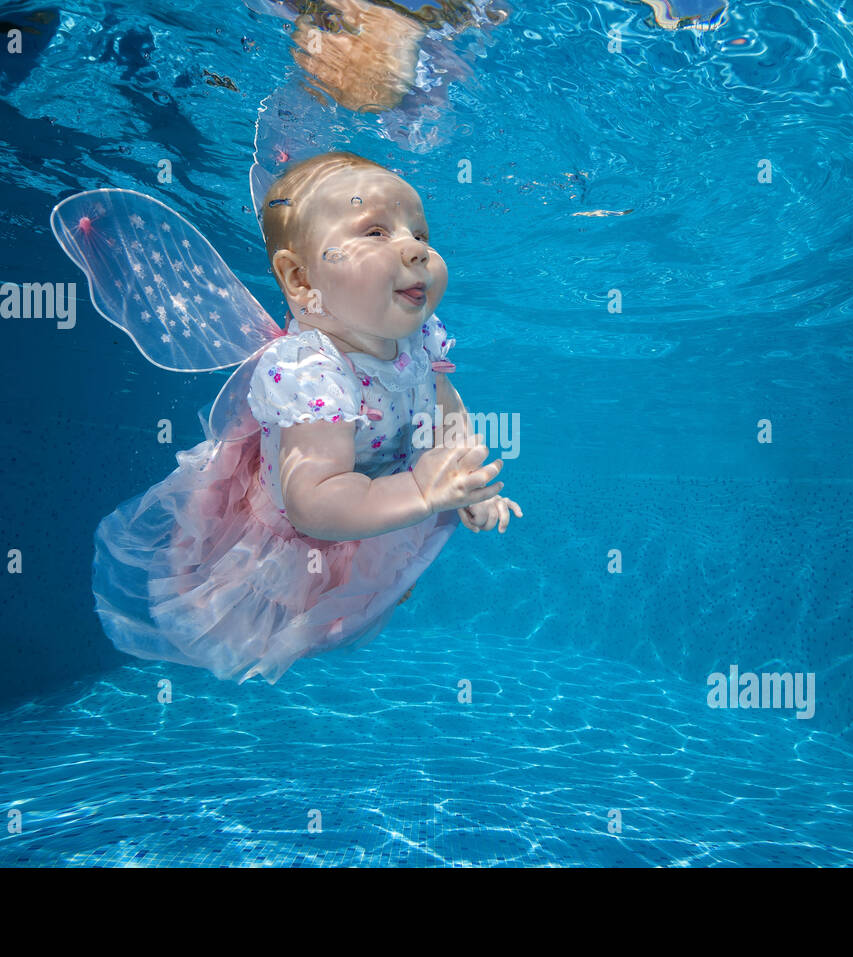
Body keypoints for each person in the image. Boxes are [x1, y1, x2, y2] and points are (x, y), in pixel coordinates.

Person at [51, 151, 520, 685]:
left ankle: (379, 575)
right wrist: (421, 494)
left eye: (420, 232)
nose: (415, 249)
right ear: (299, 278)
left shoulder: (417, 335)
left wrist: (468, 481)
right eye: (376, 232)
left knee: (379, 574)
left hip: (379, 492)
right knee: (297, 619)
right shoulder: (311, 370)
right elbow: (315, 508)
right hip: (303, 533)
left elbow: (443, 401)